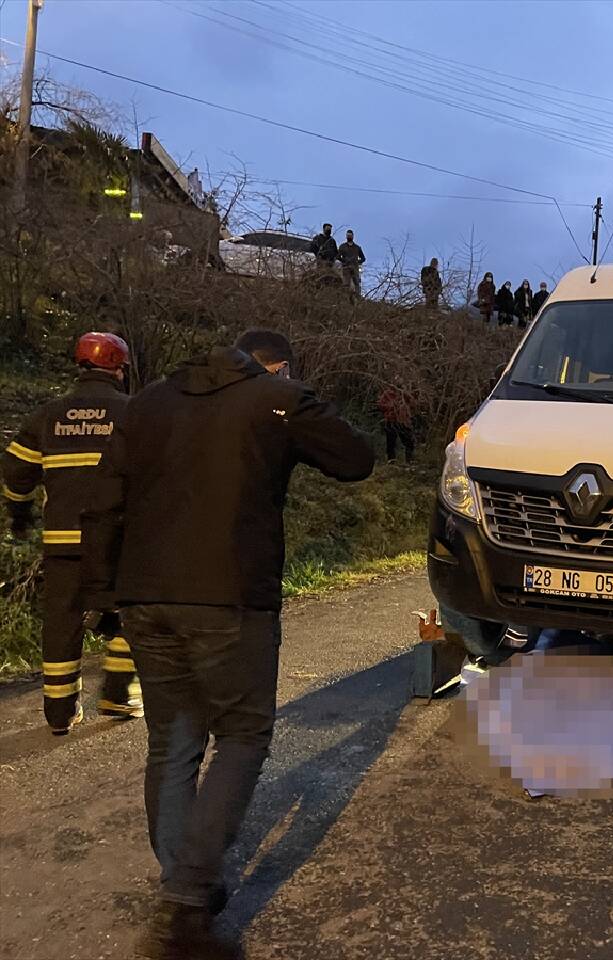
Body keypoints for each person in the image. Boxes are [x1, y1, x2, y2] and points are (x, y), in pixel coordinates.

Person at [80, 329, 374, 959]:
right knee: (243, 734)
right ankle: (186, 901)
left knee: (174, 737)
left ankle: (181, 879)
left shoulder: (148, 402)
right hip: (230, 596)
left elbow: (103, 503)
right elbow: (356, 458)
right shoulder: (274, 399)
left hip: (145, 597)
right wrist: (293, 399)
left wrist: (103, 594)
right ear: (271, 364)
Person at [2, 332, 142, 733]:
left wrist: (21, 514)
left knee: (61, 622)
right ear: (118, 369)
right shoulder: (132, 413)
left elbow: (15, 471)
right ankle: (118, 696)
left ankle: (60, 713)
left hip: (62, 543)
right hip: (117, 541)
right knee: (126, 611)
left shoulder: (49, 414)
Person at [377, 386, 414, 463]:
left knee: (409, 441)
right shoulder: (387, 394)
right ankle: (391, 461)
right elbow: (380, 405)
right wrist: (391, 407)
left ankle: (409, 461)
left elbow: (412, 403)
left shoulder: (404, 393)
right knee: (390, 443)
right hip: (391, 421)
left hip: (403, 421)